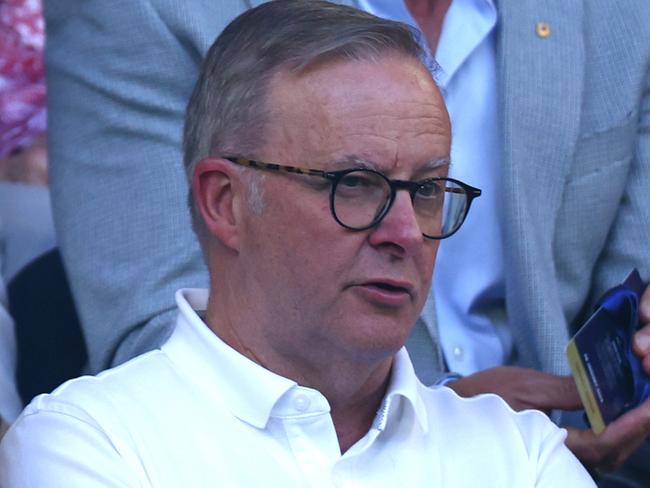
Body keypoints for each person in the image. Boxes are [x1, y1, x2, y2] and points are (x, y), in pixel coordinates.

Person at [43, 0, 650, 481]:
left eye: (432, 190)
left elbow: (630, 298)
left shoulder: (522, 454)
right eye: (353, 184)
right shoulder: (89, 444)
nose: (407, 233)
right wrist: (425, 428)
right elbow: (148, 327)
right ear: (225, 203)